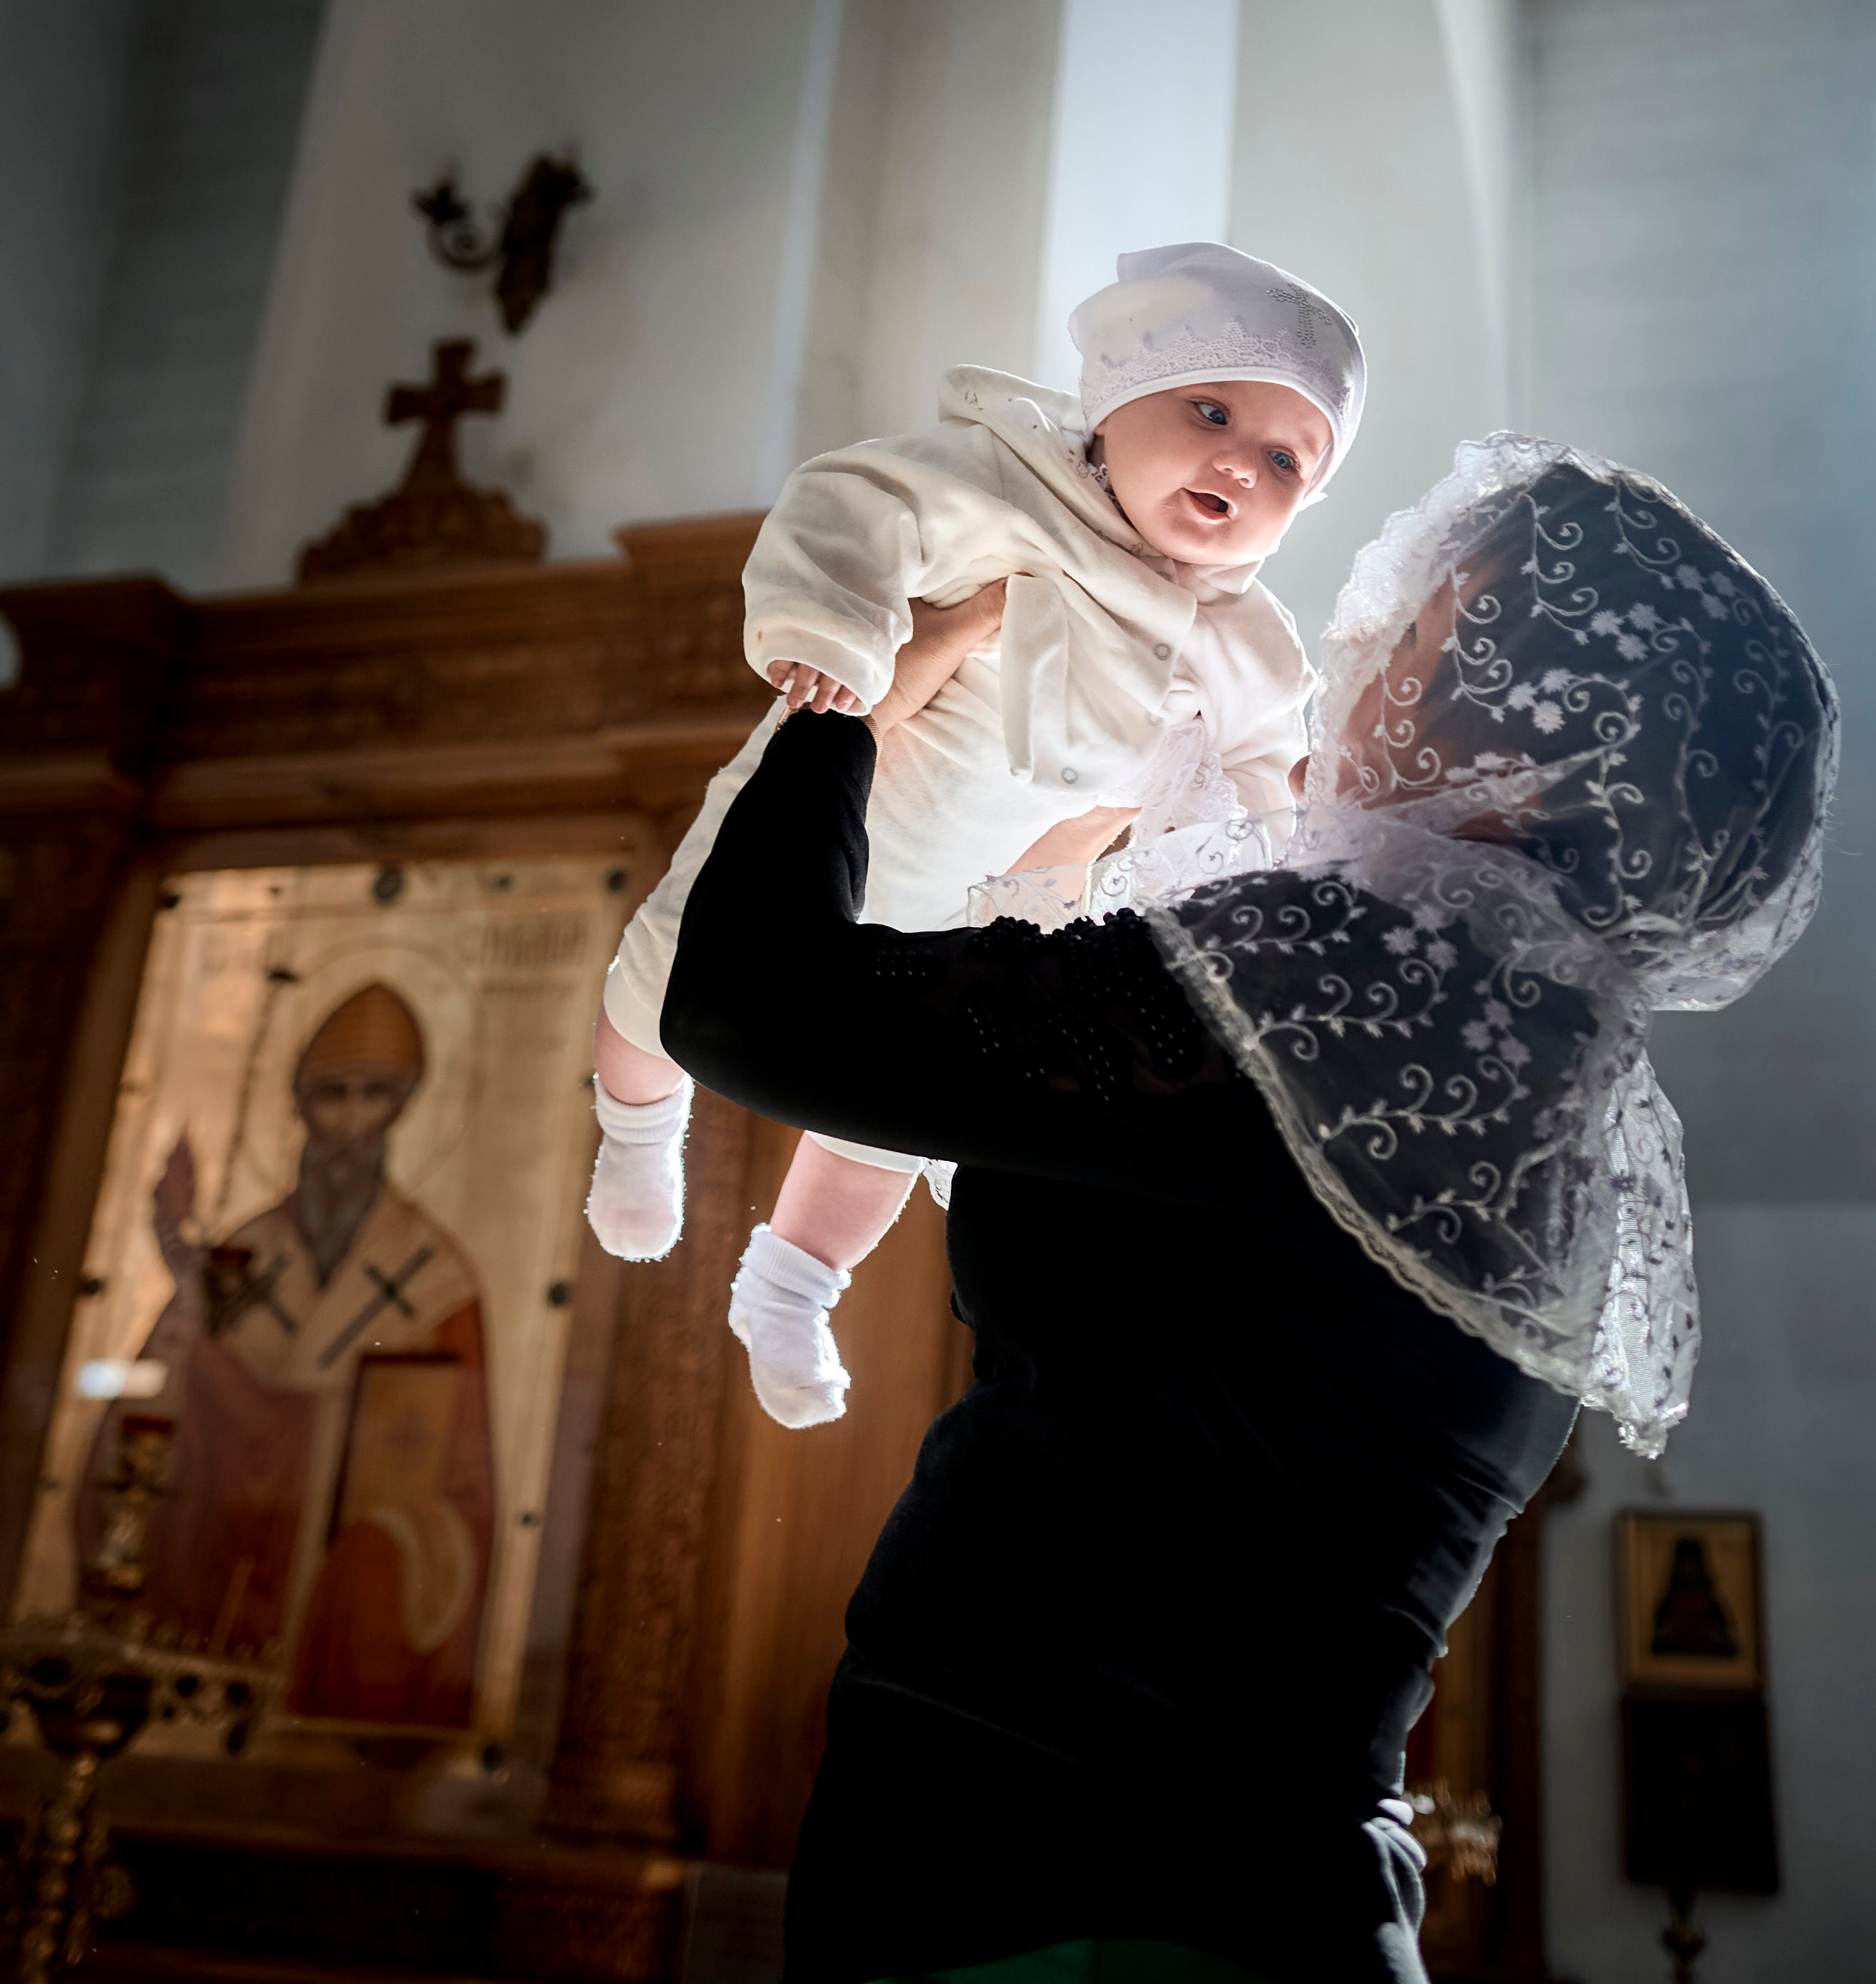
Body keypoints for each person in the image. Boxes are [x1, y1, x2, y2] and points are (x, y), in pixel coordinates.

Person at [657, 435, 1836, 1983]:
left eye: (1420, 628)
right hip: (1206, 1887)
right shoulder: (1524, 1056)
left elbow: (750, 1001)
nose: (1359, 651)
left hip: (1077, 1898)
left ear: (1521, 726)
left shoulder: (1357, 985)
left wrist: (863, 680)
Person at [591, 243, 1367, 1429]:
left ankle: (793, 1285)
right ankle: (637, 1133)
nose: (1239, 464)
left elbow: (1272, 769)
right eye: (1212, 412)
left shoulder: (1243, 631)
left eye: (1285, 460)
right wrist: (833, 637)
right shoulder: (1007, 489)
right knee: (668, 975)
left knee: (896, 1105)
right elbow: (851, 510)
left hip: (987, 903)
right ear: (1115, 404)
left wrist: (1307, 824)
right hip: (854, 796)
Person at [86, 984, 496, 1726]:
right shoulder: (241, 1257)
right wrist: (190, 1318)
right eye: (332, 1094)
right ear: (302, 1105)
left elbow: (467, 1493)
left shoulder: (438, 1282)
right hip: (213, 1571)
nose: (350, 1122)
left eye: (375, 1095)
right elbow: (144, 1414)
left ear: (403, 1107)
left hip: (332, 1578)